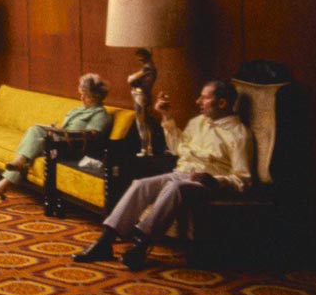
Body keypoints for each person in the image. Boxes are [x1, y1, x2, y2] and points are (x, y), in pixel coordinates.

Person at [73, 79, 253, 270]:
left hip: (208, 184)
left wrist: (216, 181)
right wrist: (166, 116)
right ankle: (105, 241)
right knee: (140, 185)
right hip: (181, 173)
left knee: (175, 188)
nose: (198, 101)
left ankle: (141, 246)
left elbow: (243, 179)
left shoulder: (239, 134)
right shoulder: (198, 122)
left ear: (222, 103)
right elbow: (177, 148)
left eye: (204, 98)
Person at [0, 73, 111, 196]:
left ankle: (8, 177)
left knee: (35, 136)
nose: (81, 98)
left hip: (73, 149)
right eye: (81, 94)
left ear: (96, 96)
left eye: (86, 95)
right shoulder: (78, 110)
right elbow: (67, 128)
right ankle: (9, 177)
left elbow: (91, 137)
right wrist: (55, 129)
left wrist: (61, 133)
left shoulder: (100, 115)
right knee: (35, 133)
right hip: (59, 141)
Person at [128, 48, 160, 156]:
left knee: (141, 122)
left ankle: (145, 149)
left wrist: (132, 79)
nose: (139, 60)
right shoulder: (149, 68)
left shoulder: (147, 68)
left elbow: (130, 79)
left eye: (140, 58)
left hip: (140, 95)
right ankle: (148, 148)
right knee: (145, 122)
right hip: (142, 95)